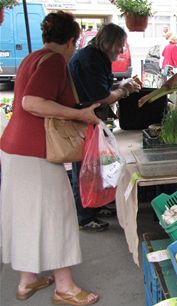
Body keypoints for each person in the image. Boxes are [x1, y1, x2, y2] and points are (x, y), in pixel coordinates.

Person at [0, 11, 100, 305]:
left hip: (13, 149)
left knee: (25, 215)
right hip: (36, 153)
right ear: (72, 41)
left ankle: (27, 280)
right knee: (59, 215)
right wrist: (78, 114)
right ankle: (64, 287)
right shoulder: (55, 61)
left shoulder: (33, 57)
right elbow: (32, 102)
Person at [69, 23, 141, 232]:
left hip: (89, 120)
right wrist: (125, 90)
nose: (121, 50)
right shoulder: (91, 59)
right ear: (108, 42)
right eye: (119, 45)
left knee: (93, 167)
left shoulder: (93, 56)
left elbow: (102, 88)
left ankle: (94, 206)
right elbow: (102, 97)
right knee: (85, 168)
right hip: (83, 120)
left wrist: (122, 85)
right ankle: (84, 216)